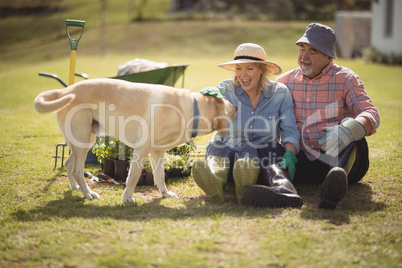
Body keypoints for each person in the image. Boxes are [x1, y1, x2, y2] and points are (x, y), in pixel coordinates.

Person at [244, 23, 380, 209]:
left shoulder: (346, 79)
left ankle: (335, 182)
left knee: (355, 137)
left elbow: (371, 113)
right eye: (302, 48)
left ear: (328, 56)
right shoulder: (284, 82)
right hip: (298, 162)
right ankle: (283, 189)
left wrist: (350, 130)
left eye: (313, 51)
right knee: (265, 145)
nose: (304, 56)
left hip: (338, 158)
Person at [192, 43, 303, 208]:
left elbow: (289, 131)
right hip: (226, 156)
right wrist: (205, 99)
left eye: (249, 68)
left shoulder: (280, 93)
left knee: (258, 149)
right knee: (219, 145)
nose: (242, 75)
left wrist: (290, 155)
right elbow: (205, 113)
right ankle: (215, 181)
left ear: (262, 70)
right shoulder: (225, 89)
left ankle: (246, 186)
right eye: (238, 68)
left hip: (261, 161)